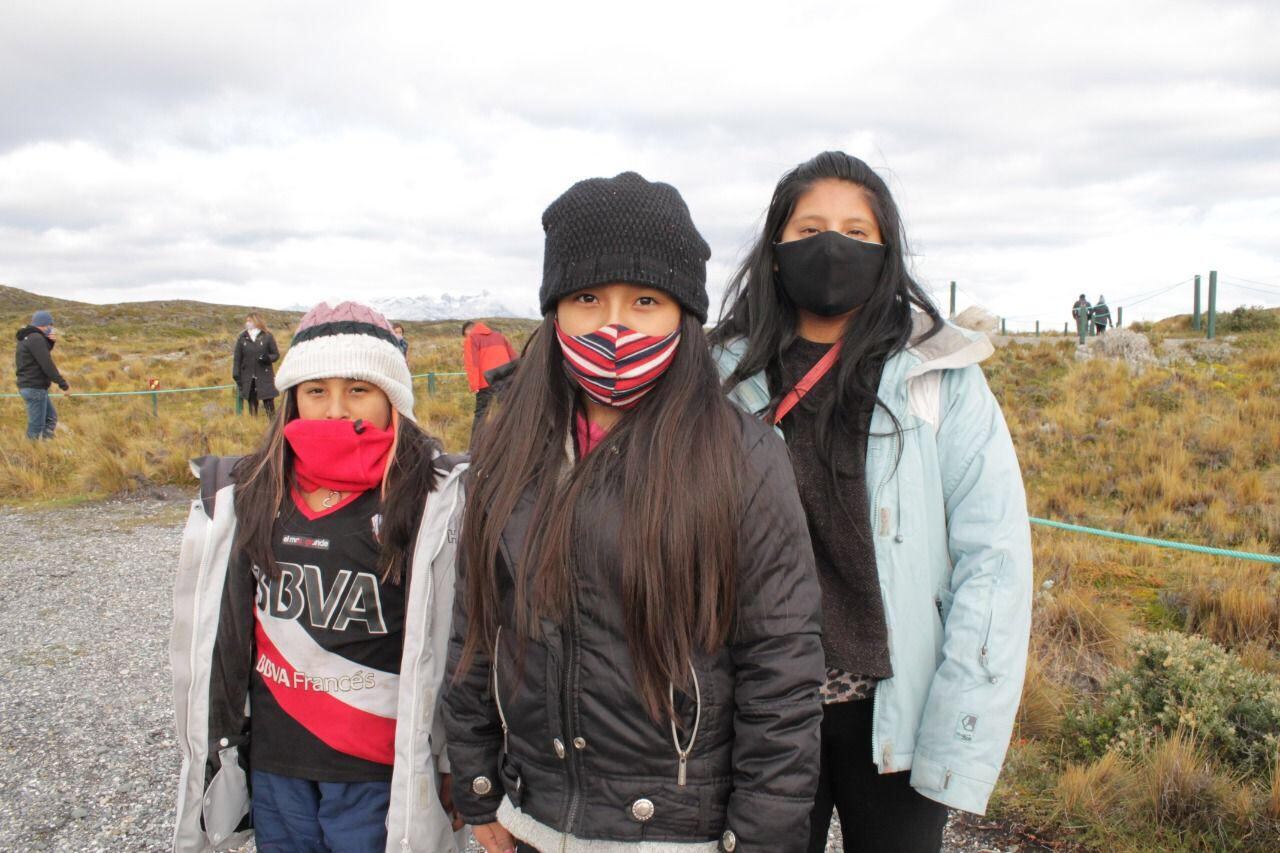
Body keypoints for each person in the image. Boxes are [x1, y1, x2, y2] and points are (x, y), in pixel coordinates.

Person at [445, 172, 824, 853]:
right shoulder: (506, 450)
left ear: (683, 315)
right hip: (533, 818)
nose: (613, 323)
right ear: (554, 308)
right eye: (587, 296)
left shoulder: (744, 458)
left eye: (644, 300)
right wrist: (476, 783)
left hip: (680, 834)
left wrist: (764, 837)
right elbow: (474, 626)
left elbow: (783, 667)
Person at [712, 151, 1033, 853]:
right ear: (773, 252)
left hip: (896, 712)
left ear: (887, 256)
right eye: (810, 230)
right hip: (757, 709)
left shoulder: (939, 379)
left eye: (858, 233)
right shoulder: (720, 380)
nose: (833, 248)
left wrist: (959, 722)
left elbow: (995, 561)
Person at [172, 302, 469, 853]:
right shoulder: (250, 492)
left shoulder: (431, 502)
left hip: (380, 768)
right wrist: (220, 746)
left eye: (358, 389)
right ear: (291, 399)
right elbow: (223, 632)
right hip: (279, 763)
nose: (335, 410)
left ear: (392, 400)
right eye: (315, 391)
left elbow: (453, 638)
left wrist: (452, 759)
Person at [15, 309, 70, 440]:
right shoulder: (36, 338)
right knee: (36, 426)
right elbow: (46, 363)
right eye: (50, 325)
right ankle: (32, 454)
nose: (51, 328)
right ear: (45, 324)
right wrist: (63, 384)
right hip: (35, 388)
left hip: (33, 387)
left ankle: (45, 447)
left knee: (51, 418)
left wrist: (50, 342)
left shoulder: (28, 337)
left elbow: (39, 355)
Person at [461, 320, 516, 430]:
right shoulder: (500, 336)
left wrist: (474, 385)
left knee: (481, 414)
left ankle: (476, 445)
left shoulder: (471, 338)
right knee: (508, 412)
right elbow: (514, 358)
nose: (466, 338)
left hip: (485, 382)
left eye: (465, 335)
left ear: (468, 331)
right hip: (506, 379)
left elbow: (472, 364)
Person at [234, 313, 280, 416]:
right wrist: (236, 374)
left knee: (269, 403)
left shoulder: (267, 336)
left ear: (256, 321)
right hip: (248, 377)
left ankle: (273, 427)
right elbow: (237, 358)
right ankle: (254, 426)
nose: (247, 323)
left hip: (264, 375)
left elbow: (276, 355)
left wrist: (267, 358)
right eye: (247, 321)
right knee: (252, 404)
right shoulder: (242, 337)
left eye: (250, 321)